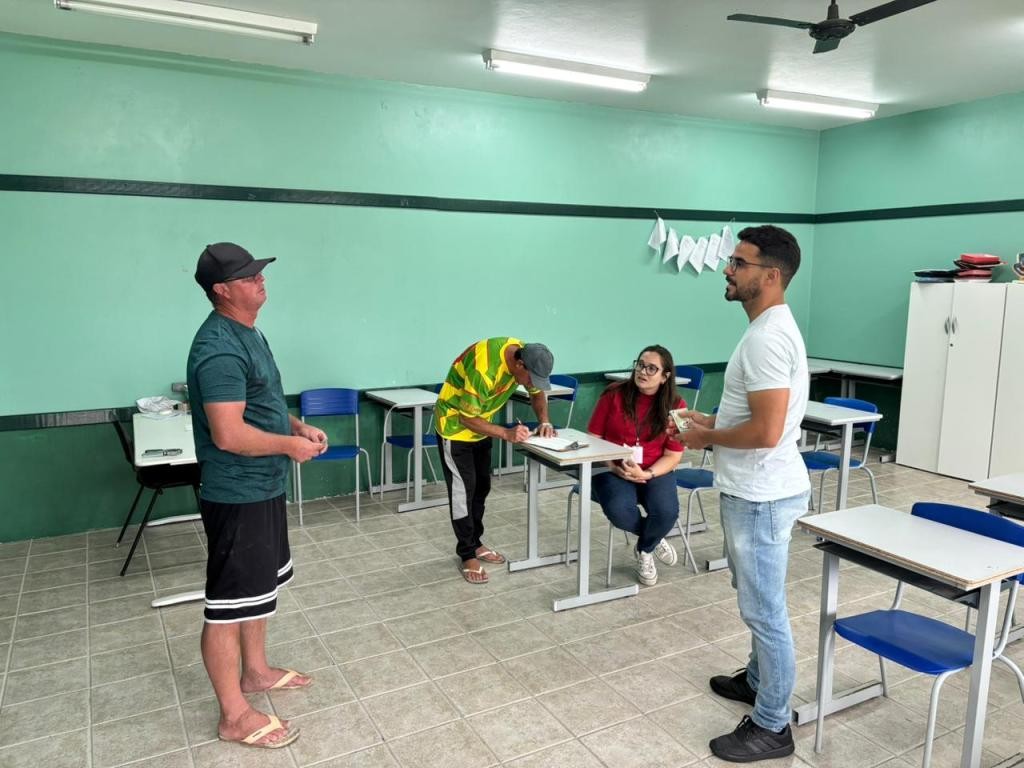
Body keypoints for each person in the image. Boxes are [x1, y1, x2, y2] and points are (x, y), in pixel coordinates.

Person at [677, 225, 810, 762]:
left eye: (738, 263)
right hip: (755, 488)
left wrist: (705, 438)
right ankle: (757, 680)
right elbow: (755, 418)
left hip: (761, 495)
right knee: (756, 599)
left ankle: (773, 724)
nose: (727, 270)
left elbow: (767, 431)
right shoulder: (766, 329)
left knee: (764, 612)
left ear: (770, 275)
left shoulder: (766, 338)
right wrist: (708, 422)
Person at [186, 242, 326, 750]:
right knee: (228, 605)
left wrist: (295, 426)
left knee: (258, 589)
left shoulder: (249, 332)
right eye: (248, 276)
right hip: (237, 492)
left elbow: (258, 403)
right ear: (222, 291)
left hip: (264, 484)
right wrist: (289, 446)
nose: (260, 280)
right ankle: (233, 715)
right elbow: (228, 434)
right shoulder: (219, 348)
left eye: (259, 272)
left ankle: (257, 671)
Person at [435, 337, 555, 584]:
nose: (532, 384)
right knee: (463, 493)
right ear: (519, 365)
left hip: (481, 428)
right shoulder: (484, 368)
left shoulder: (527, 355)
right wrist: (506, 433)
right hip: (454, 429)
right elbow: (467, 418)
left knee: (481, 487)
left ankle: (475, 542)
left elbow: (537, 394)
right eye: (531, 379)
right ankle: (467, 554)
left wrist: (544, 421)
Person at [587, 344, 686, 586]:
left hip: (653, 468)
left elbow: (673, 455)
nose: (642, 371)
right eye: (640, 365)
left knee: (667, 512)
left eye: (652, 368)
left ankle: (645, 549)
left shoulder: (676, 405)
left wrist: (647, 473)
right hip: (611, 467)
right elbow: (593, 439)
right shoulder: (614, 394)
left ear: (665, 377)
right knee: (620, 511)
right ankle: (652, 537)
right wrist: (612, 465)